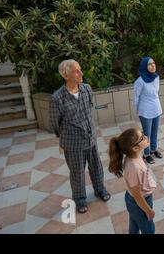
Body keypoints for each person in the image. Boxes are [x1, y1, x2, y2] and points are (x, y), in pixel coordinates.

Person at [49, 59, 110, 214]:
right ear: (66, 75)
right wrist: (64, 138)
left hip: (90, 137)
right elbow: (54, 123)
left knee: (96, 167)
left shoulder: (87, 89)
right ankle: (80, 199)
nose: (81, 73)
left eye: (80, 69)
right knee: (77, 172)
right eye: (76, 71)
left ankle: (100, 190)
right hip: (73, 142)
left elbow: (88, 111)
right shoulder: (57, 98)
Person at [108, 128, 156, 234]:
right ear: (135, 148)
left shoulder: (134, 157)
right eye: (142, 138)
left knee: (134, 223)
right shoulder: (135, 168)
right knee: (148, 229)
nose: (146, 137)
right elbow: (137, 195)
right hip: (139, 202)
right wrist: (148, 210)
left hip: (134, 201)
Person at [134, 56, 163, 164]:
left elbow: (155, 93)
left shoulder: (156, 77)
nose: (153, 65)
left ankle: (153, 149)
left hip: (156, 108)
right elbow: (136, 97)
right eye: (149, 64)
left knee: (155, 131)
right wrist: (138, 110)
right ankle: (146, 154)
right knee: (147, 134)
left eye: (154, 63)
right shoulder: (140, 81)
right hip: (145, 111)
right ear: (144, 67)